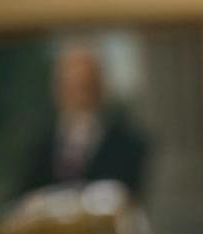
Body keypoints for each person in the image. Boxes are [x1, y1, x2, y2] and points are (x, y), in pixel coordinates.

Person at [18, 44, 149, 198]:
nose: (78, 98)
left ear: (99, 88)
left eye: (85, 87)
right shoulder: (38, 147)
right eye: (70, 87)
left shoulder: (128, 145)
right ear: (57, 91)